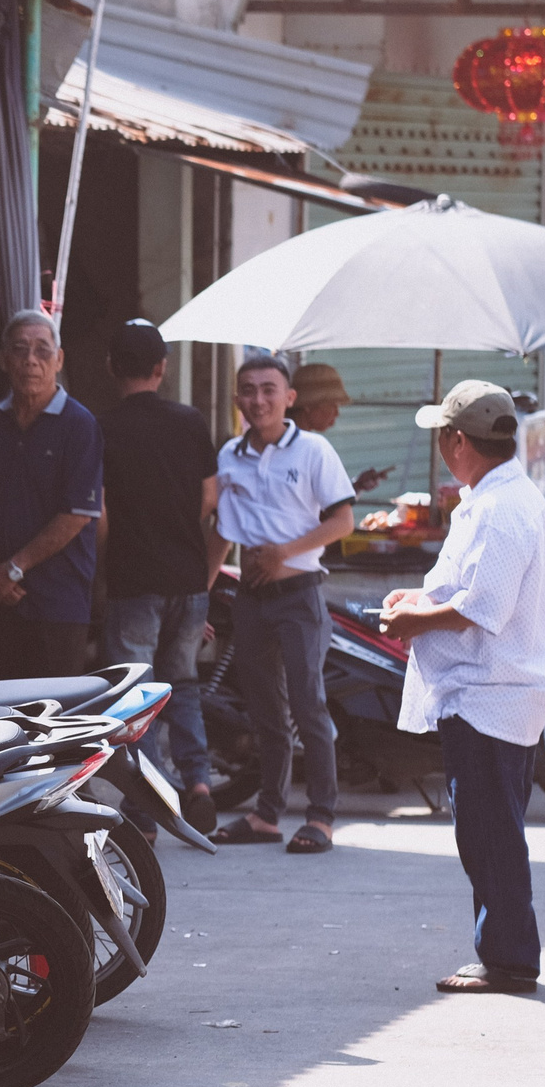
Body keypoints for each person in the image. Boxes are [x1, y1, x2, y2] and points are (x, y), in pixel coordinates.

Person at [378, 382, 545, 994]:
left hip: (492, 694)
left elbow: (485, 608)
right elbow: (463, 590)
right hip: (483, 692)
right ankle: (505, 952)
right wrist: (418, 599)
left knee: (490, 835)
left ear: (459, 440)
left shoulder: (503, 507)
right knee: (485, 832)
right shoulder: (491, 499)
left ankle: (507, 959)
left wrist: (413, 619)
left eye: (441, 436)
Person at [211, 353, 357, 854]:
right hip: (250, 600)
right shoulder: (230, 454)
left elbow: (343, 521)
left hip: (300, 596)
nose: (258, 399)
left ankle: (321, 815)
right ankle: (267, 814)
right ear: (237, 400)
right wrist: (201, 592)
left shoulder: (313, 450)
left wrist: (283, 554)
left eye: (269, 389)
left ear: (289, 398)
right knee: (264, 710)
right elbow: (222, 532)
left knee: (307, 703)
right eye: (248, 390)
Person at [97, 319, 221, 834]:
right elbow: (211, 497)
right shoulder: (190, 422)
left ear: (110, 368)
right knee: (184, 683)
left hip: (133, 579)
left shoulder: (101, 428)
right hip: (188, 579)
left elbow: (99, 513)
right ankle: (198, 782)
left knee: (136, 694)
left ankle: (148, 801)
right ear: (162, 369)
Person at [0, 310, 106, 681]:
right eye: (19, 350)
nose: (30, 361)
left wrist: (13, 568)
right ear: (4, 360)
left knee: (53, 722)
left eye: (42, 350)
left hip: (58, 602)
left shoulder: (80, 425)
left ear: (59, 360)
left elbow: (77, 514)